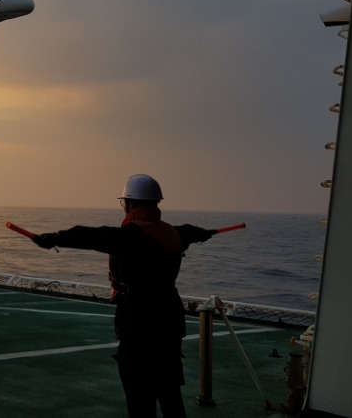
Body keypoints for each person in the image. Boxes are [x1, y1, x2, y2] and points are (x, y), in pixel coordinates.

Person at [30, 174, 215, 418]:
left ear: (130, 204)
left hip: (138, 322)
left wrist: (52, 238)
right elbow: (193, 232)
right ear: (155, 204)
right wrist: (206, 232)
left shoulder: (129, 236)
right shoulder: (174, 233)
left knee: (140, 398)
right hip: (169, 320)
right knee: (170, 395)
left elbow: (88, 236)